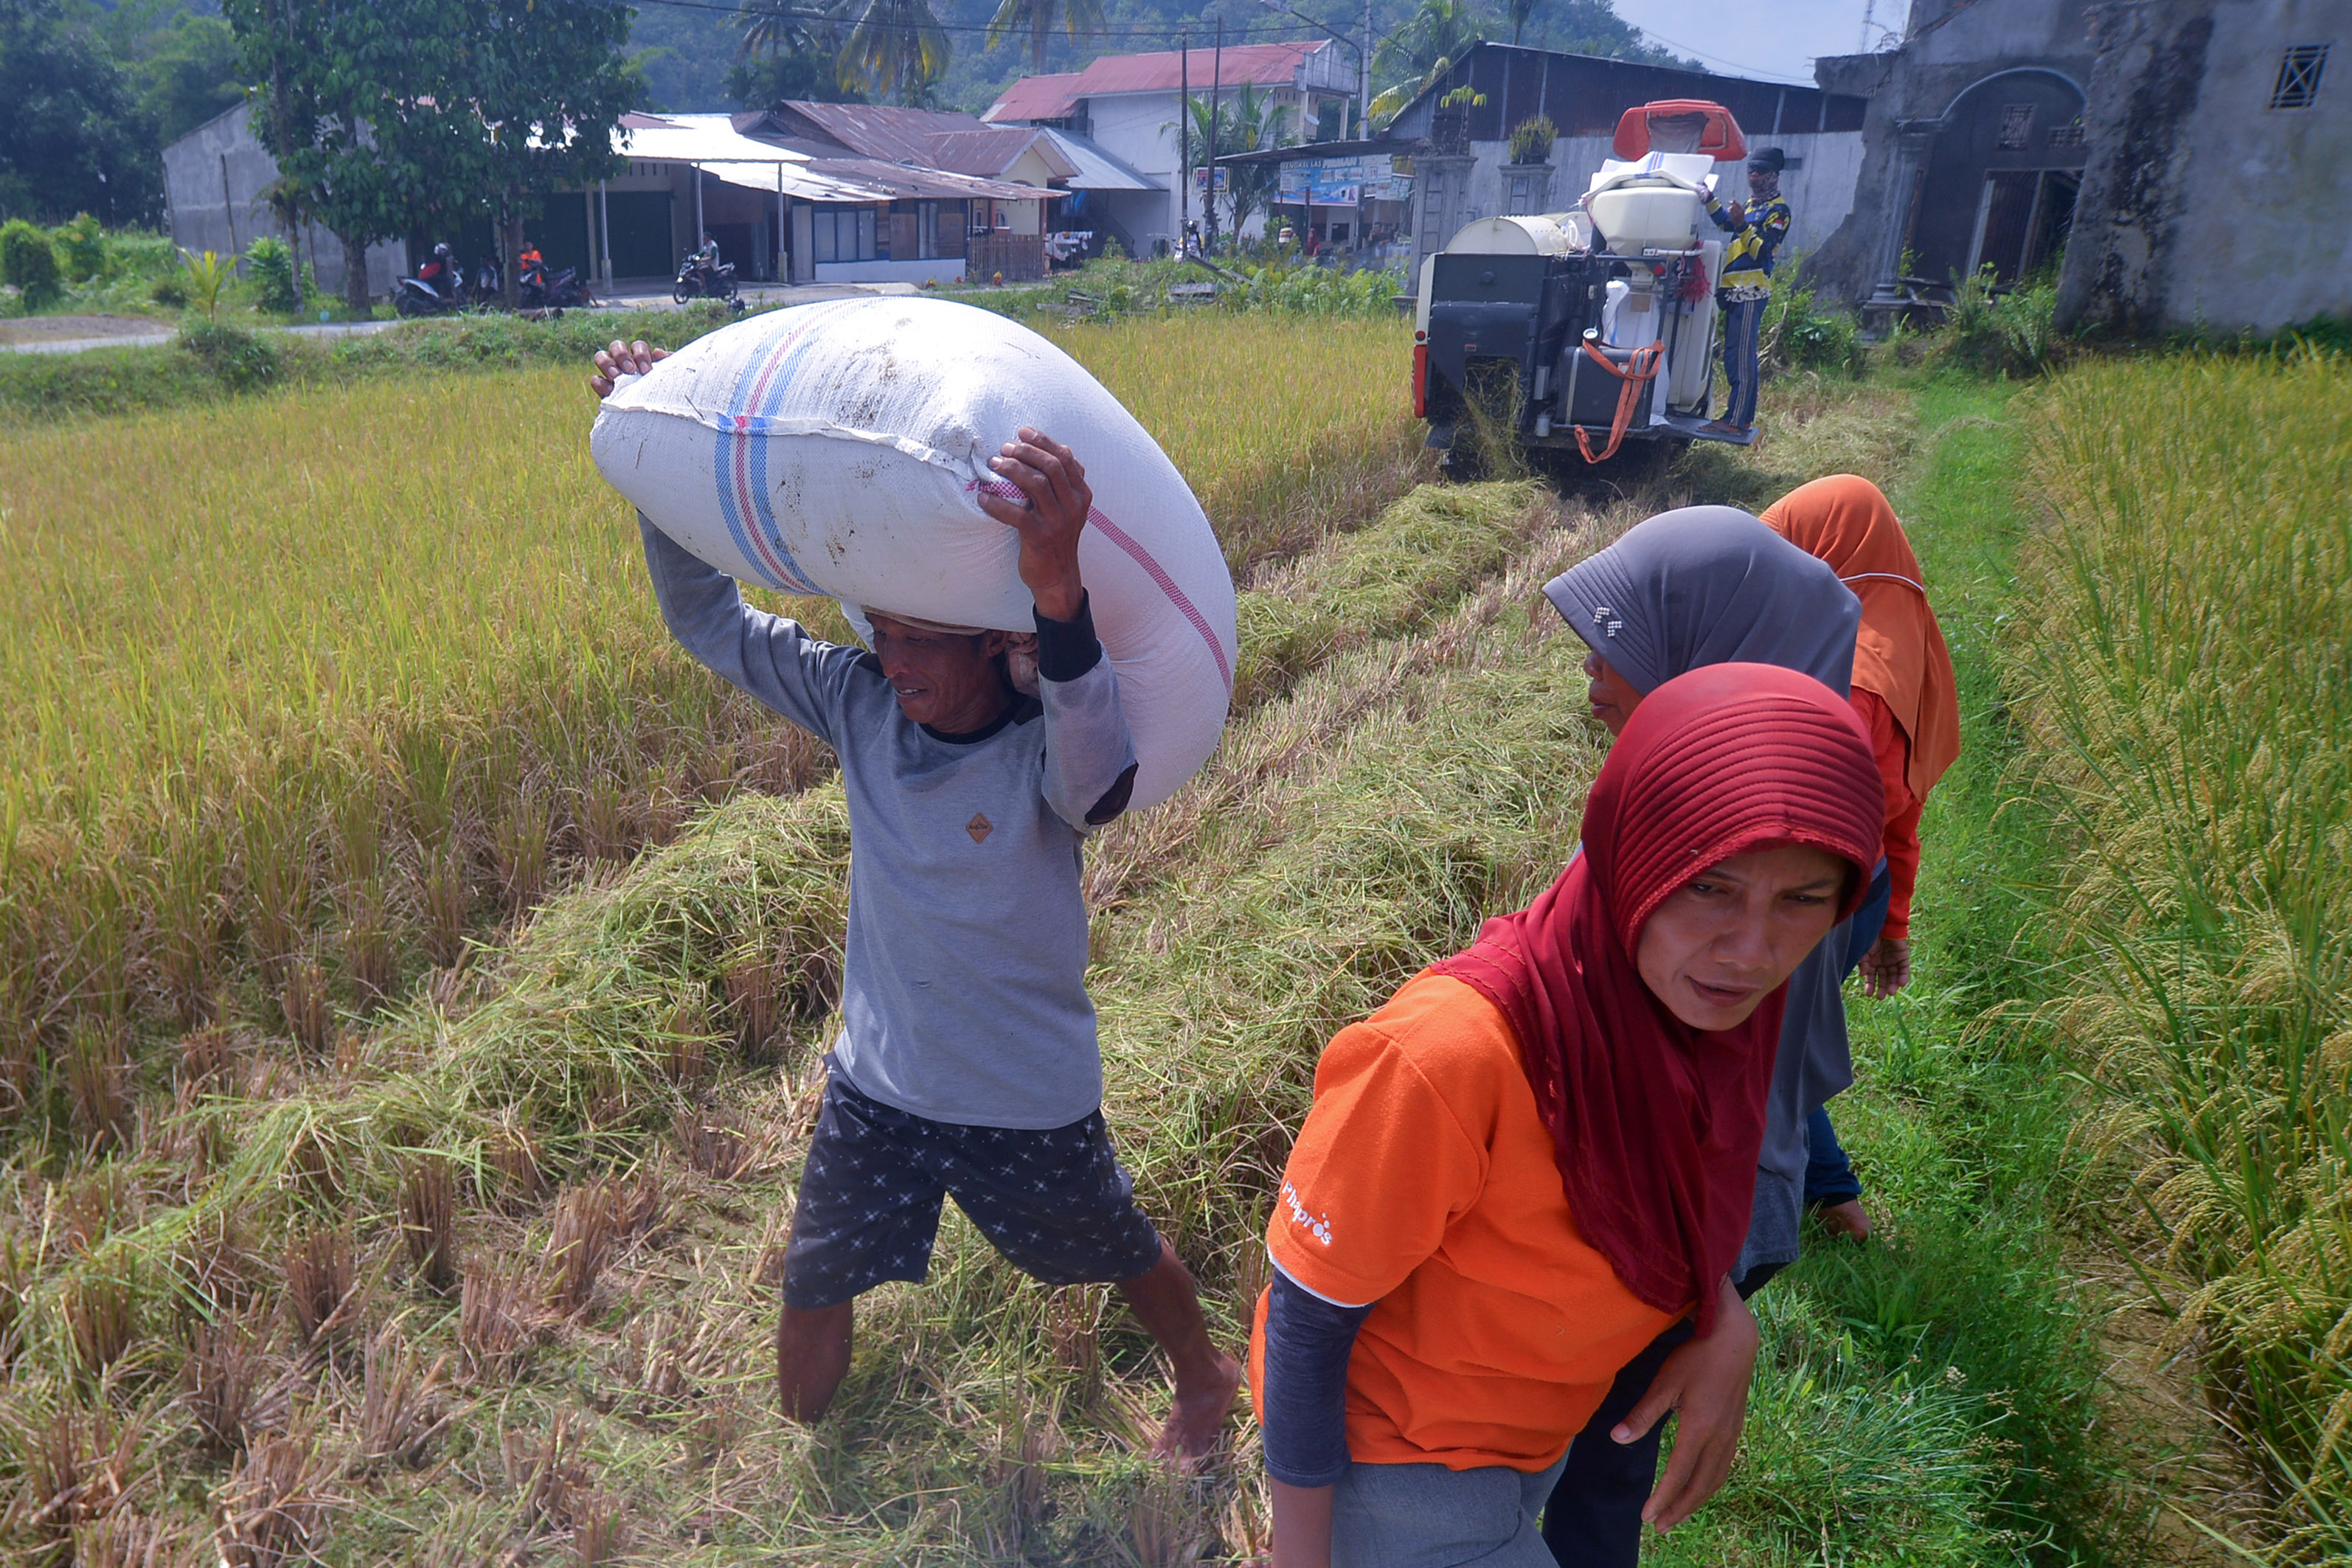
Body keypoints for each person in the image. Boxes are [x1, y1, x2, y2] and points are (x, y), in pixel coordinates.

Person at [586, 339, 1243, 1457]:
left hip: (1021, 1098)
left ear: (996, 646)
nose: (892, 660)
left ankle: (1208, 1375)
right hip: (877, 1084)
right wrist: (657, 459)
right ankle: (806, 1461)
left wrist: (1058, 589)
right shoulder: (859, 707)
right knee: (813, 1280)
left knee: (1115, 1243)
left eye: (918, 640)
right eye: (880, 632)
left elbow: (1102, 782)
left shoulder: (1048, 751)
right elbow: (713, 626)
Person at [1254, 663, 1887, 1568]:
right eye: (1710, 885)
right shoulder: (1451, 1055)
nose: (1752, 950)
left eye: (1802, 898)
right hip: (1397, 1462)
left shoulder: (1707, 1015)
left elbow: (1672, 1185)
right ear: (1633, 855)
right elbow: (1307, 1318)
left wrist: (1722, 1317)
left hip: (1529, 1441)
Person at [1535, 506, 1865, 1566]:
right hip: (1692, 1232)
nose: (1594, 662)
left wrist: (1711, 1299)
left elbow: (1714, 1109)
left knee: (1600, 1469)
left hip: (1691, 1233)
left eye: (1625, 636)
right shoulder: (1757, 845)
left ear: (1713, 654)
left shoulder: (1746, 886)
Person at [1761, 474, 1964, 1242]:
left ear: (1829, 553)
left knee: (1759, 1048)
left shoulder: (1851, 678)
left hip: (1816, 892)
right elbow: (1904, 810)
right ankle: (1834, 1198)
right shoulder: (1898, 636)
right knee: (1777, 1035)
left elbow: (1801, 818)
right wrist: (1894, 924)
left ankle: (1754, 1235)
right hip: (1865, 886)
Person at [1701, 147, 1792, 437]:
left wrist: (1742, 224)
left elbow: (1762, 253)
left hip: (1751, 292)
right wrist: (1709, 199)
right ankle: (1740, 417)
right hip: (1734, 291)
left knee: (1741, 357)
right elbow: (1726, 223)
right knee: (1733, 356)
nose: (1754, 176)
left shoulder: (1779, 212)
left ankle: (1736, 420)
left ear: (1774, 175)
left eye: (1761, 171)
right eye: (1751, 171)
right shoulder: (1752, 206)